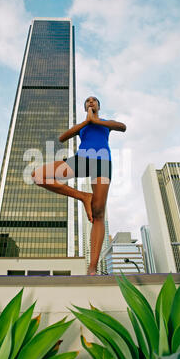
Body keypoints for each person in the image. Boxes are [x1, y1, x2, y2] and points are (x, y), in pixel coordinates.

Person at [31, 96, 126, 275]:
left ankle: (92, 267)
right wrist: (86, 121)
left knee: (98, 213)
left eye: (94, 101)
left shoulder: (105, 122)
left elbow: (122, 127)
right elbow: (62, 138)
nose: (91, 102)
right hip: (81, 160)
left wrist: (96, 120)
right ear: (85, 107)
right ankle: (83, 196)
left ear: (98, 106)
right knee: (38, 176)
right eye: (88, 101)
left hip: (102, 163)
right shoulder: (82, 126)